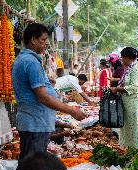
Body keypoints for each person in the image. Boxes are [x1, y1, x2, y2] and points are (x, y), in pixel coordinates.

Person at [11, 23, 86, 160]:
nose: (46, 44)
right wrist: (72, 111)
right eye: (43, 40)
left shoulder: (26, 60)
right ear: (33, 40)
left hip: (35, 123)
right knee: (34, 168)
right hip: (34, 125)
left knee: (32, 165)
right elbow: (43, 97)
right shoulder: (31, 62)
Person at [111, 47, 138, 148]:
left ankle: (132, 152)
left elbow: (135, 87)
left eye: (123, 58)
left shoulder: (136, 68)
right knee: (125, 129)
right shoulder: (130, 68)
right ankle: (125, 149)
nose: (122, 60)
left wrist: (117, 89)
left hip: (132, 104)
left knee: (131, 131)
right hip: (126, 103)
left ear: (128, 58)